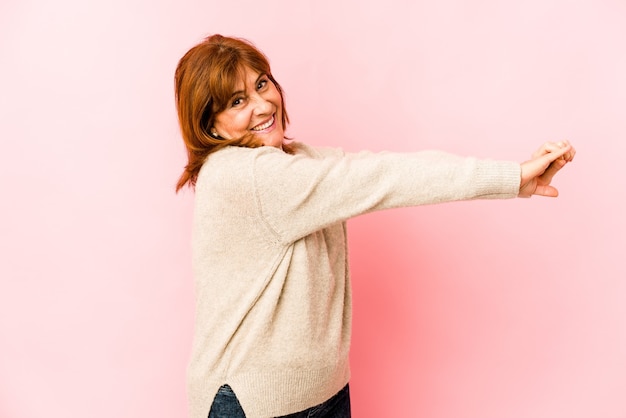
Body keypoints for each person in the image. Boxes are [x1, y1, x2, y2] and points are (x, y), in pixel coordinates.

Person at [173, 34, 575, 418]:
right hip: (252, 402)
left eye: (263, 84)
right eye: (238, 101)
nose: (263, 105)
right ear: (211, 126)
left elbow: (379, 168)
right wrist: (511, 177)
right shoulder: (245, 176)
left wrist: (514, 181)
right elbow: (384, 178)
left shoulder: (298, 161)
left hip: (321, 393)